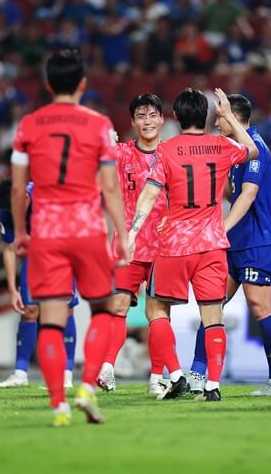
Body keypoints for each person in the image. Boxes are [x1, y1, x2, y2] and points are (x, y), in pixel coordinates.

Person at [10, 50, 129, 427]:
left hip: (46, 232)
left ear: (47, 84)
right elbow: (110, 186)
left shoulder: (28, 125)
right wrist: (122, 233)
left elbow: (17, 190)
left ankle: (59, 406)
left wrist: (20, 232)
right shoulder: (98, 124)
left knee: (50, 321)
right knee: (103, 311)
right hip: (88, 230)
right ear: (82, 84)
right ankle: (87, 390)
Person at [128, 88, 258, 402]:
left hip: (174, 244)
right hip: (212, 245)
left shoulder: (168, 150)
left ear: (175, 117)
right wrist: (228, 116)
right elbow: (252, 149)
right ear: (208, 116)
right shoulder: (222, 145)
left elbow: (149, 193)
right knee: (213, 317)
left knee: (156, 309)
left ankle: (175, 375)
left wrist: (132, 231)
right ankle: (212, 385)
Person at [187, 94, 271, 396]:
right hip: (233, 242)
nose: (215, 122)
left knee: (260, 307)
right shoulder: (234, 151)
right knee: (212, 304)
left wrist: (221, 227)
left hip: (256, 240)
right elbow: (233, 193)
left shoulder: (257, 149)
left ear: (234, 117)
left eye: (220, 117)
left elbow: (248, 195)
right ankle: (196, 374)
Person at [96, 93, 170, 396]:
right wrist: (103, 141)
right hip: (128, 244)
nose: (148, 121)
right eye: (141, 116)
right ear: (132, 122)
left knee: (159, 313)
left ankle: (155, 378)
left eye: (153, 115)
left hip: (165, 245)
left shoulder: (173, 154)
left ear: (162, 119)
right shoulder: (122, 153)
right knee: (118, 305)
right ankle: (108, 368)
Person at [0, 179, 78, 389]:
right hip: (34, 258)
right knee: (29, 310)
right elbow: (9, 249)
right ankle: (20, 373)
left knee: (65, 310)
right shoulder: (6, 209)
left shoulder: (48, 197)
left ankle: (66, 374)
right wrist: (12, 290)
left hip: (62, 255)